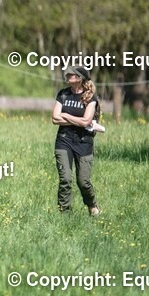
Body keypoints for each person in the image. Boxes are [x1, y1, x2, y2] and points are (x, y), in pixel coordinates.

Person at [52, 66, 101, 216]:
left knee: (83, 182)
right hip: (64, 140)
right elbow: (55, 118)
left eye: (71, 74)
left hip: (83, 142)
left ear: (79, 78)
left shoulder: (90, 97)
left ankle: (92, 205)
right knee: (65, 179)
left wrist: (65, 116)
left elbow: (86, 121)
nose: (67, 75)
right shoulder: (63, 94)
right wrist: (77, 120)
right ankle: (64, 212)